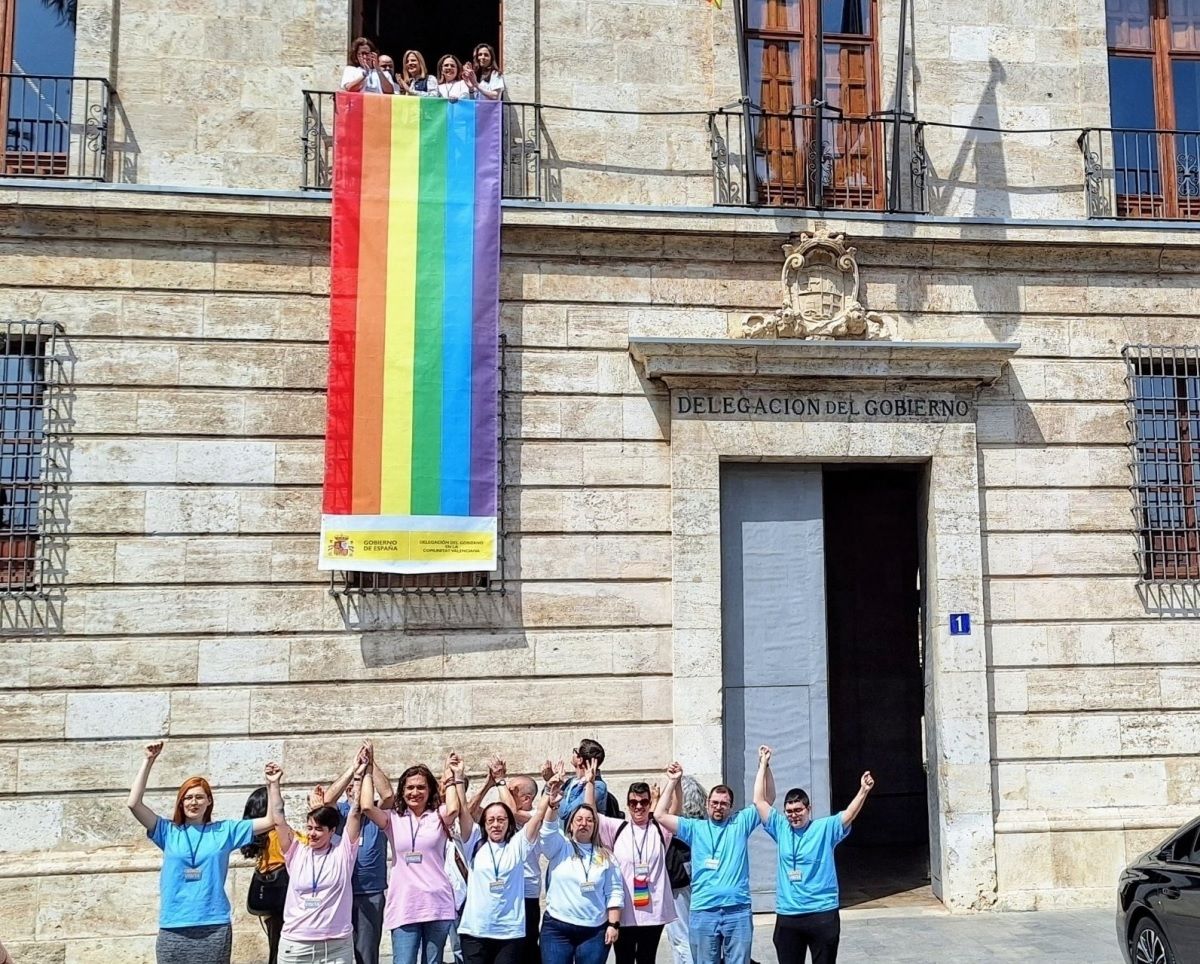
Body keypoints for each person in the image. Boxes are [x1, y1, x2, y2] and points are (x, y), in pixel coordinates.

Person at [127, 741, 274, 964]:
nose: (193, 802)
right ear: (181, 802)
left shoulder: (224, 830)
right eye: (188, 797)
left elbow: (271, 820)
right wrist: (148, 760)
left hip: (213, 925)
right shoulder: (167, 831)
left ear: (209, 801)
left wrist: (273, 785)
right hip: (173, 926)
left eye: (199, 797)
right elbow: (134, 804)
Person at [753, 746, 875, 964]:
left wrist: (863, 791)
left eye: (798, 810)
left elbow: (849, 814)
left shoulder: (824, 828)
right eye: (789, 811)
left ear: (809, 809)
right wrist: (764, 765)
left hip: (822, 912)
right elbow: (759, 801)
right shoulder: (780, 828)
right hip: (789, 915)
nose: (794, 815)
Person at [655, 762, 764, 964]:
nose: (718, 807)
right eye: (714, 803)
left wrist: (763, 766)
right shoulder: (695, 828)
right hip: (704, 910)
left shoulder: (740, 823)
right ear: (707, 804)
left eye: (723, 803)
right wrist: (673, 781)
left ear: (731, 807)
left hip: (737, 909)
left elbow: (765, 801)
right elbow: (659, 815)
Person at [361, 755, 463, 964]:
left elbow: (454, 808)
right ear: (402, 791)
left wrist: (450, 775)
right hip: (404, 904)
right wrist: (368, 771)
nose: (415, 792)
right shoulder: (393, 818)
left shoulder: (438, 815)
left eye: (421, 787)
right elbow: (367, 807)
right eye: (410, 787)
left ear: (430, 791)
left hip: (437, 902)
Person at [457, 766, 563, 964]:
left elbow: (539, 815)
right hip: (475, 931)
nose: (496, 824)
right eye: (491, 820)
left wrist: (549, 790)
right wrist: (458, 778)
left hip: (509, 933)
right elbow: (464, 811)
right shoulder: (474, 842)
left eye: (501, 819)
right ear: (484, 823)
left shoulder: (517, 845)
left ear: (509, 822)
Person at [267, 753, 366, 964]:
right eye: (309, 828)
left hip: (336, 945)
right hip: (297, 944)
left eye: (319, 829)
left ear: (332, 831)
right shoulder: (296, 851)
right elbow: (279, 820)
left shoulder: (343, 853)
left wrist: (357, 776)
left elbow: (355, 812)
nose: (312, 833)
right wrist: (274, 785)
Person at [311, 741, 395, 964]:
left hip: (370, 891)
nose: (355, 789)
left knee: (367, 952)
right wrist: (353, 769)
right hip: (339, 890)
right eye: (351, 787)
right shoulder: (339, 813)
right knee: (338, 951)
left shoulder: (377, 812)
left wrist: (370, 766)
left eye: (360, 785)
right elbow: (327, 800)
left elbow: (388, 794)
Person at [590, 766, 678, 964]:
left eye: (644, 802)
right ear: (628, 804)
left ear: (650, 803)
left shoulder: (659, 828)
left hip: (653, 910)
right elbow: (592, 815)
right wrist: (590, 783)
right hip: (625, 909)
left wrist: (674, 782)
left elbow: (675, 809)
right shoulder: (617, 827)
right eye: (633, 803)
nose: (638, 807)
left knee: (647, 958)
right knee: (624, 959)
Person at [538, 793, 623, 964]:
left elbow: (614, 891)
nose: (584, 823)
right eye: (579, 819)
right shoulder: (559, 846)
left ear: (595, 826)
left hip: (594, 931)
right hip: (557, 928)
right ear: (570, 825)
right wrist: (553, 807)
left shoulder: (607, 857)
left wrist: (613, 925)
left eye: (589, 820)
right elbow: (547, 832)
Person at [664, 775, 707, 964]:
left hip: (678, 882)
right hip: (692, 879)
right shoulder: (702, 823)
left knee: (680, 934)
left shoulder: (677, 824)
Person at [242, 787, 287, 964]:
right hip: (282, 899)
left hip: (270, 900)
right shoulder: (276, 835)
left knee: (275, 948)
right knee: (282, 952)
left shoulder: (257, 835)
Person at [556, 740, 609, 819]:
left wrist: (557, 791)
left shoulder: (597, 786)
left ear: (580, 760)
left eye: (575, 751)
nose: (573, 753)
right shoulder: (571, 781)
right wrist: (552, 781)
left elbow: (566, 813)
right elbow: (550, 801)